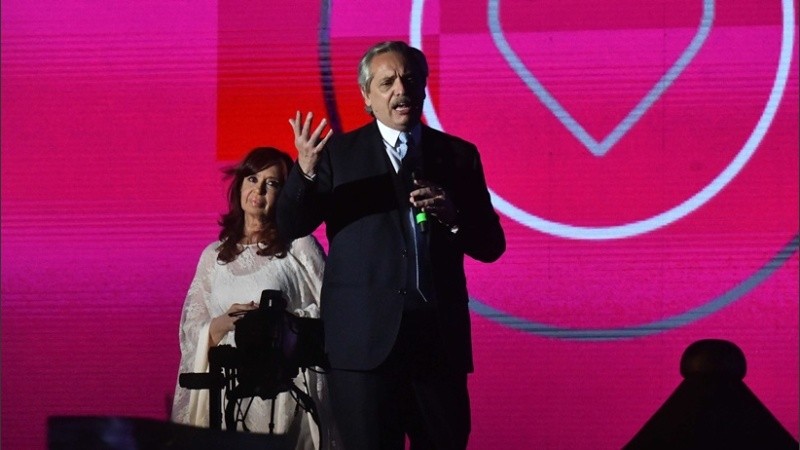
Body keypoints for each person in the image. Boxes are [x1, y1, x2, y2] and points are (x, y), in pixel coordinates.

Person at [277, 41, 506, 449]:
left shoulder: (457, 156)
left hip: (437, 344)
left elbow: (491, 245)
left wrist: (454, 218)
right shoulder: (337, 156)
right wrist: (306, 173)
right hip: (363, 348)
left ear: (423, 89)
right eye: (387, 82)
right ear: (367, 97)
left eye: (410, 79)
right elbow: (290, 225)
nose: (400, 89)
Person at [172, 147, 332, 450]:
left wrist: (279, 324)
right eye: (252, 178)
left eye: (271, 183)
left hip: (286, 394)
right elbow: (190, 328)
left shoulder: (298, 246)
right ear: (240, 184)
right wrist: (219, 326)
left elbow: (331, 310)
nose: (258, 190)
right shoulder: (213, 257)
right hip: (226, 390)